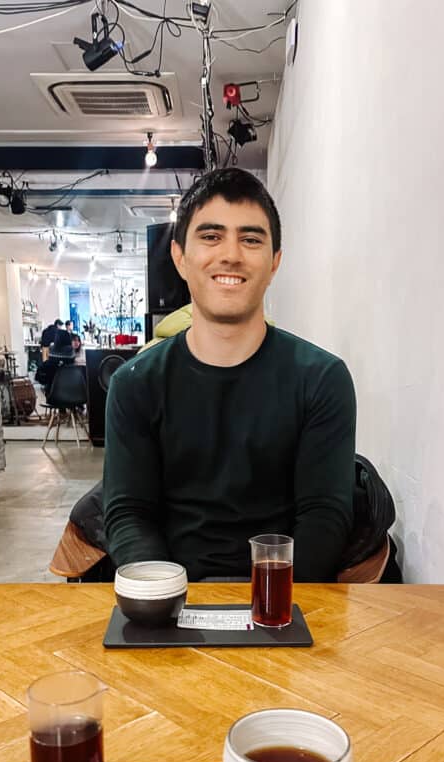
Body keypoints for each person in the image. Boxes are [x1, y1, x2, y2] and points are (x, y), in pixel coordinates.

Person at [103, 168, 356, 582]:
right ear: (180, 257)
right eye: (211, 236)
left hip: (283, 602)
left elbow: (324, 517)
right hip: (170, 603)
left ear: (274, 262)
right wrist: (171, 597)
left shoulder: (322, 379)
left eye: (251, 239)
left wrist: (263, 607)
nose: (231, 255)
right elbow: (129, 514)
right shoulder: (135, 384)